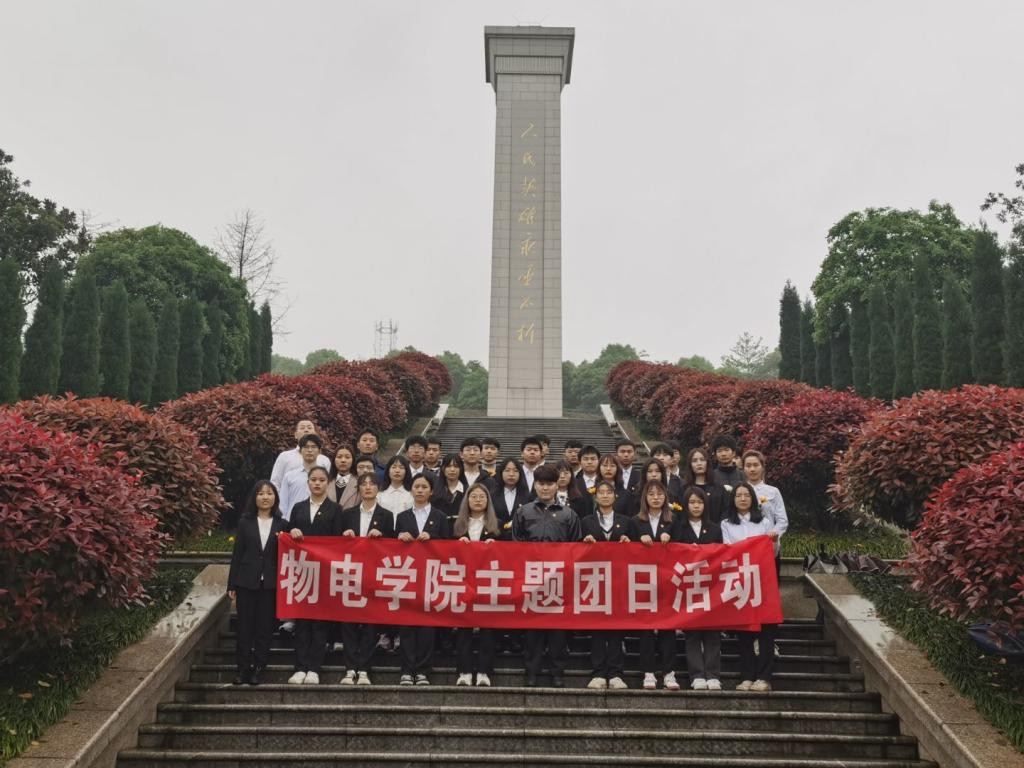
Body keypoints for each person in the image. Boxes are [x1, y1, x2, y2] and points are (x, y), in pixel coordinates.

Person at [512, 464, 582, 687]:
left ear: (557, 485)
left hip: (559, 579)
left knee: (557, 630)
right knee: (532, 628)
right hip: (531, 578)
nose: (545, 488)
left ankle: (557, 672)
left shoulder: (568, 514)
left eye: (549, 484)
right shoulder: (524, 512)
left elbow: (576, 546)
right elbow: (515, 544)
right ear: (534, 485)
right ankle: (531, 672)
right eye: (541, 483)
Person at [228, 480, 288, 685]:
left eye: (269, 493)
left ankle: (259, 668)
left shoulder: (282, 524)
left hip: (270, 584)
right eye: (261, 493)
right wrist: (232, 584)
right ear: (255, 497)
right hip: (246, 582)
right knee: (244, 628)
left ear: (275, 498)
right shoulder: (245, 522)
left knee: (264, 628)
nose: (265, 497)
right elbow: (237, 554)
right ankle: (242, 669)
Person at [721, 482, 779, 692]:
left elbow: (772, 552)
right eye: (739, 495)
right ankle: (747, 676)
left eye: (747, 495)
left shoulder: (764, 522)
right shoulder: (726, 524)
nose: (743, 498)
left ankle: (764, 677)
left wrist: (774, 540)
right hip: (740, 583)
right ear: (733, 499)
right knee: (743, 632)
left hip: (762, 581)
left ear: (753, 499)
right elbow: (727, 551)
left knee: (766, 632)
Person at [286, 467, 342, 686]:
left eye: (321, 480)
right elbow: (288, 534)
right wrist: (292, 532)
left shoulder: (335, 509)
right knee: (302, 622)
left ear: (327, 483)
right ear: (308, 482)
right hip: (302, 572)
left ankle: (314, 668)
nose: (317, 483)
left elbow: (338, 542)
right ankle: (300, 667)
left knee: (319, 623)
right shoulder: (298, 508)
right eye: (313, 480)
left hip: (325, 573)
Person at [338, 473, 395, 685]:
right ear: (358, 489)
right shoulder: (347, 514)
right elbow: (335, 543)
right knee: (348, 623)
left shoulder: (386, 515)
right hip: (350, 574)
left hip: (374, 575)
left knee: (370, 624)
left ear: (378, 488)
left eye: (372, 484)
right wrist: (345, 535)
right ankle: (349, 668)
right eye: (364, 484)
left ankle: (364, 669)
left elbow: (393, 546)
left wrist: (382, 537)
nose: (368, 487)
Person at [395, 475, 450, 685]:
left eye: (424, 487)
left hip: (431, 578)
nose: (419, 490)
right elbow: (391, 545)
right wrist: (399, 537)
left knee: (427, 626)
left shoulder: (440, 516)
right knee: (407, 625)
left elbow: (448, 546)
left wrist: (433, 539)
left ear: (431, 491)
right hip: (408, 577)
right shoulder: (402, 516)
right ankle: (406, 670)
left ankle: (422, 671)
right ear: (411, 490)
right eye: (416, 486)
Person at [627, 480, 681, 690]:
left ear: (665, 497)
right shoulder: (635, 521)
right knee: (646, 628)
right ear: (645, 498)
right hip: (643, 582)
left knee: (668, 628)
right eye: (651, 494)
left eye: (660, 494)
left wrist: (671, 538)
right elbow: (626, 550)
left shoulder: (674, 520)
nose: (656, 497)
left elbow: (684, 547)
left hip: (668, 581)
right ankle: (648, 672)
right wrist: (638, 540)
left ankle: (669, 672)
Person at [580, 480, 631, 689]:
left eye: (609, 492)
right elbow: (576, 547)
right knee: (597, 627)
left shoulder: (626, 521)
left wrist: (628, 541)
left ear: (615, 496)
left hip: (619, 580)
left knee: (617, 627)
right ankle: (599, 672)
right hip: (595, 579)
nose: (605, 495)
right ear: (595, 497)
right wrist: (585, 542)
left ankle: (616, 673)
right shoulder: (586, 521)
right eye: (600, 492)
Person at [452, 483, 501, 686]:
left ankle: (483, 671)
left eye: (482, 496)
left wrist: (496, 547)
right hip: (462, 582)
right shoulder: (455, 525)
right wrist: (457, 546)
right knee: (463, 629)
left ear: (488, 500)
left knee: (488, 629)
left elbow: (509, 554)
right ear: (467, 500)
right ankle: (464, 671)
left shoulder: (498, 525)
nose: (478, 500)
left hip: (488, 583)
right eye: (474, 497)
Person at [678, 486, 723, 691]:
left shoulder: (714, 529)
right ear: (685, 505)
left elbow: (722, 555)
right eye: (692, 502)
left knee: (712, 632)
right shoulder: (678, 528)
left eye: (700, 502)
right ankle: (696, 675)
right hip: (687, 586)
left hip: (710, 586)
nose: (696, 506)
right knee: (692, 633)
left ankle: (713, 674)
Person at [742, 450, 788, 578]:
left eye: (756, 465)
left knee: (769, 584)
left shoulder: (773, 492)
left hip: (768, 548)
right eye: (748, 465)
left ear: (762, 467)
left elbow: (782, 520)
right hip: (744, 549)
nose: (752, 469)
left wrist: (773, 535)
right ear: (743, 468)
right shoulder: (739, 492)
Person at [278, 433, 326, 521]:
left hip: (317, 522)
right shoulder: (290, 476)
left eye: (313, 447)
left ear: (319, 451)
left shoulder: (325, 477)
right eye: (306, 447)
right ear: (300, 451)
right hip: (292, 523)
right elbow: (282, 505)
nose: (310, 450)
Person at [270, 419, 330, 489]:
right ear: (295, 435)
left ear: (315, 433)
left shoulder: (324, 460)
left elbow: (329, 485)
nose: (306, 430)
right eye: (302, 428)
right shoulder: (285, 457)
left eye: (309, 428)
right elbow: (275, 482)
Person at [681, 447, 727, 525]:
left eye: (702, 460)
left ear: (707, 463)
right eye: (694, 461)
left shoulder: (718, 488)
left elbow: (725, 512)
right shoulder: (684, 489)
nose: (699, 463)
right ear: (690, 465)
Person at [491, 457, 530, 531]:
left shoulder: (527, 496)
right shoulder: (492, 494)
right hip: (497, 534)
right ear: (501, 472)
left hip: (520, 535)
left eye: (515, 471)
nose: (511, 474)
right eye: (507, 470)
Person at [431, 453, 467, 522]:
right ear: (443, 468)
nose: (452, 470)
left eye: (456, 466)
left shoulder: (467, 491)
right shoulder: (434, 490)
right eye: (448, 466)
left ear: (461, 469)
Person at [377, 454, 413, 522]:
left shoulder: (412, 494)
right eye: (394, 467)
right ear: (388, 470)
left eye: (401, 467)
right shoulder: (379, 494)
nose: (397, 470)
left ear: (407, 471)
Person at [327, 444, 359, 509]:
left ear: (353, 460)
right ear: (334, 460)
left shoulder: (359, 483)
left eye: (347, 457)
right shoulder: (326, 482)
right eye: (339, 457)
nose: (343, 460)